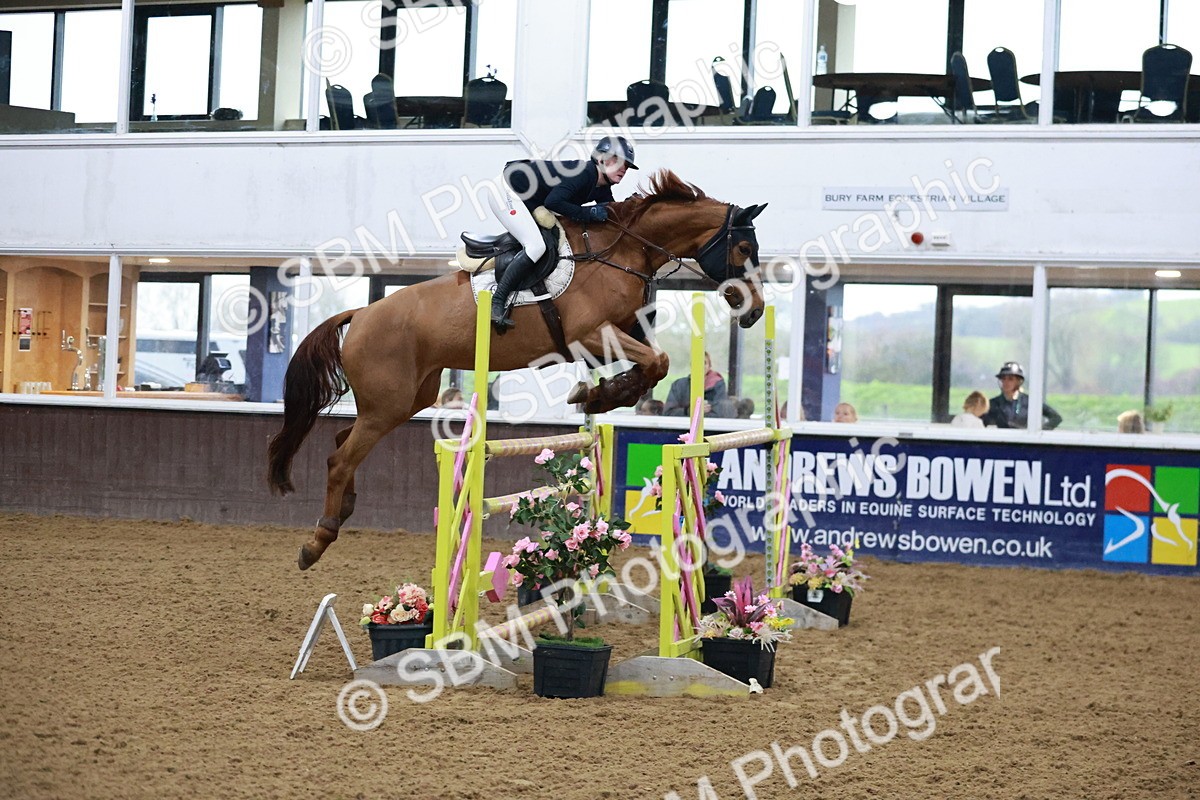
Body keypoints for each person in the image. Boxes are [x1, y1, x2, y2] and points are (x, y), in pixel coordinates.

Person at [487, 135, 638, 333]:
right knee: (536, 246)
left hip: (528, 196)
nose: (624, 169)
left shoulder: (601, 186)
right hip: (506, 190)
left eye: (627, 166)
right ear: (602, 159)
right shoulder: (584, 174)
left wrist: (631, 209)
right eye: (620, 162)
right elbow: (554, 202)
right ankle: (497, 301)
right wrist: (588, 213)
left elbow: (610, 212)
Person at [981, 361, 1062, 430]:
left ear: (1019, 381)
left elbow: (1056, 418)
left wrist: (1038, 432)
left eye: (1010, 379)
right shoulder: (993, 403)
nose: (1006, 382)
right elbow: (981, 420)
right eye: (1003, 379)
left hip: (1023, 442)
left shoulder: (1029, 402)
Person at [664, 352, 731, 416]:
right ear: (691, 365)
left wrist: (703, 413)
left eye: (704, 363)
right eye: (697, 362)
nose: (700, 366)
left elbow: (721, 414)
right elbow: (668, 413)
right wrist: (688, 411)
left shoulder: (718, 386)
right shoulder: (678, 385)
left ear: (709, 366)